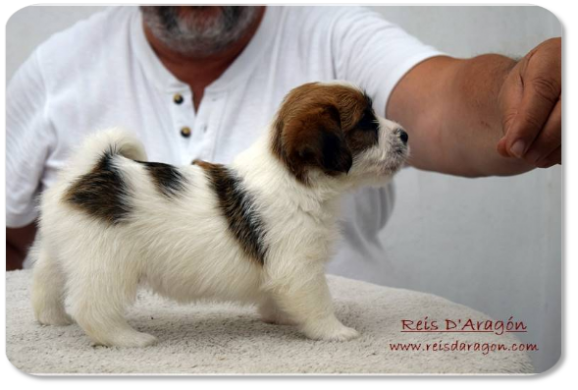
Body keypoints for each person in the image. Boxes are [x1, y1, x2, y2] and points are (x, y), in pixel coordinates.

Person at [6, 6, 561, 283]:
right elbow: (18, 242)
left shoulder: (334, 31)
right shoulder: (55, 68)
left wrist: (521, 89)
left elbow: (449, 101)